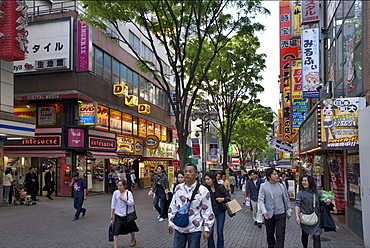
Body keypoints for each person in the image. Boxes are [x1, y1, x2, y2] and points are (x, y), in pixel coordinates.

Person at [168, 163, 214, 248]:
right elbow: (173, 206)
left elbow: (207, 211)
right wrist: (170, 223)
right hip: (179, 227)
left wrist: (207, 229)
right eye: (185, 171)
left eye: (190, 171)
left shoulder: (203, 190)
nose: (187, 174)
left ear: (196, 174)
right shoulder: (178, 188)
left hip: (194, 229)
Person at [295, 175, 331, 248]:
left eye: (305, 181)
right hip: (305, 218)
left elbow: (325, 200)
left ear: (310, 182)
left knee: (317, 237)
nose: (304, 182)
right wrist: (297, 217)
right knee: (305, 235)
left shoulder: (317, 192)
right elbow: (297, 205)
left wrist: (328, 201)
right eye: (303, 181)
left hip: (316, 218)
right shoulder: (300, 193)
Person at [258, 168, 292, 248]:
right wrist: (264, 211)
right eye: (274, 174)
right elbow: (261, 200)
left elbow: (286, 198)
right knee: (270, 235)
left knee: (280, 235)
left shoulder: (282, 185)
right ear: (269, 176)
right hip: (269, 215)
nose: (277, 176)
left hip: (281, 214)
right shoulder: (264, 186)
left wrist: (289, 209)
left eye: (277, 174)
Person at [204, 172, 231, 248]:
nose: (207, 181)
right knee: (210, 232)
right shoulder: (204, 189)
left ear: (213, 179)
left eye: (208, 179)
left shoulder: (220, 187)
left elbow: (228, 197)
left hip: (220, 211)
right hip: (209, 213)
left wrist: (222, 199)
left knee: (220, 232)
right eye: (205, 179)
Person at [110, 180, 139, 248]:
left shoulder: (128, 193)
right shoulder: (115, 193)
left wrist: (123, 199)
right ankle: (115, 246)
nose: (119, 187)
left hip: (127, 214)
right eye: (118, 185)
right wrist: (111, 214)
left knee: (131, 229)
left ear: (124, 186)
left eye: (120, 186)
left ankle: (133, 239)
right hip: (118, 214)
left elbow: (131, 203)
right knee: (116, 231)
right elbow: (113, 204)